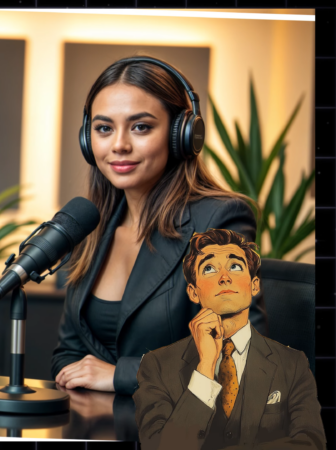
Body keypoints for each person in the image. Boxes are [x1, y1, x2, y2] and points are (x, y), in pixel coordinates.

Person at [51, 56, 266, 395]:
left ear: (182, 134)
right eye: (104, 128)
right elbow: (69, 354)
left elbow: (239, 356)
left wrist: (121, 375)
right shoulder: (91, 228)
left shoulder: (218, 220)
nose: (119, 144)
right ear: (87, 140)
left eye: (141, 127)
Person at [134, 229, 325, 449]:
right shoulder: (156, 366)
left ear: (254, 285)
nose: (224, 277)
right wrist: (205, 368)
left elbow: (311, 443)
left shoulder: (293, 364)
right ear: (193, 292)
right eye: (209, 268)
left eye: (235, 266)